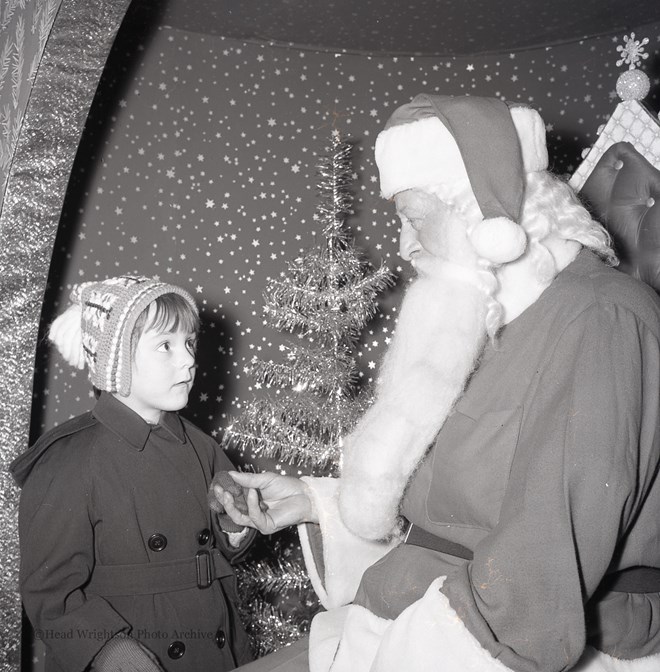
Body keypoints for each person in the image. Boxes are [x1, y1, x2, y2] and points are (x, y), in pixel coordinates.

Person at [210, 95, 660, 672]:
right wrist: (315, 503)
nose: (403, 246)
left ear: (486, 214)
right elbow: (462, 509)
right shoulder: (494, 318)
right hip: (420, 610)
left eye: (415, 219)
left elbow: (535, 576)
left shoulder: (603, 318)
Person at [10, 275, 255, 672]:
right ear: (116, 359)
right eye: (165, 345)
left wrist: (234, 525)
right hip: (130, 650)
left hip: (213, 643)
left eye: (189, 342)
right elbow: (48, 592)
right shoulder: (69, 460)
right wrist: (105, 649)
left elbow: (223, 546)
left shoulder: (202, 446)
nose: (189, 359)